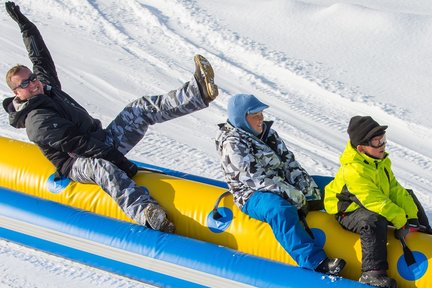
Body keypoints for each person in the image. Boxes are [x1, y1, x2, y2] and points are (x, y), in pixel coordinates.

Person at [3, 2, 218, 233]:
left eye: (32, 78)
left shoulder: (47, 87)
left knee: (139, 109)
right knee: (102, 168)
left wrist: (25, 26)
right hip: (76, 161)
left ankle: (197, 92)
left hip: (99, 140)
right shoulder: (36, 120)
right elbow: (79, 145)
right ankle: (147, 214)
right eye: (24, 83)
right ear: (17, 93)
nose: (33, 83)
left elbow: (40, 57)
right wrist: (120, 161)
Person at [215, 94, 346, 275]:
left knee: (334, 186)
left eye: (261, 114)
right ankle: (314, 261)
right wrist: (291, 194)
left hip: (283, 183)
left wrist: (305, 185)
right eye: (255, 115)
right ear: (241, 118)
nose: (261, 119)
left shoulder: (268, 134)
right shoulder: (233, 143)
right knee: (279, 210)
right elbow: (254, 179)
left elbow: (289, 162)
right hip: (252, 194)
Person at [324, 115, 431, 288]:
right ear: (360, 148)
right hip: (348, 211)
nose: (382, 145)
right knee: (372, 219)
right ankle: (372, 273)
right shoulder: (354, 170)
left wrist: (411, 217)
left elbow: (395, 190)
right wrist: (400, 220)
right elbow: (375, 201)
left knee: (408, 195)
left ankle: (427, 236)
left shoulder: (380, 161)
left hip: (372, 203)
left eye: (383, 140)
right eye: (376, 142)